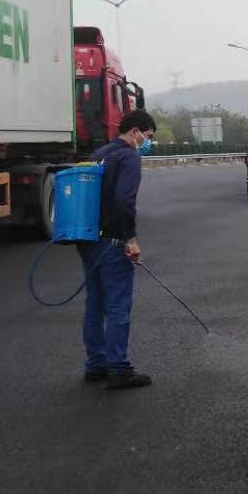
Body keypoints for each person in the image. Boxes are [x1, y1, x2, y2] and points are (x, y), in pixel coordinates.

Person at [80, 108, 156, 389]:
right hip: (112, 241)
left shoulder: (99, 154)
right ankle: (118, 368)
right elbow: (124, 201)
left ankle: (96, 365)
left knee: (95, 303)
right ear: (135, 132)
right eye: (147, 136)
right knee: (118, 304)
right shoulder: (129, 156)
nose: (147, 142)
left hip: (88, 239)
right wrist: (130, 239)